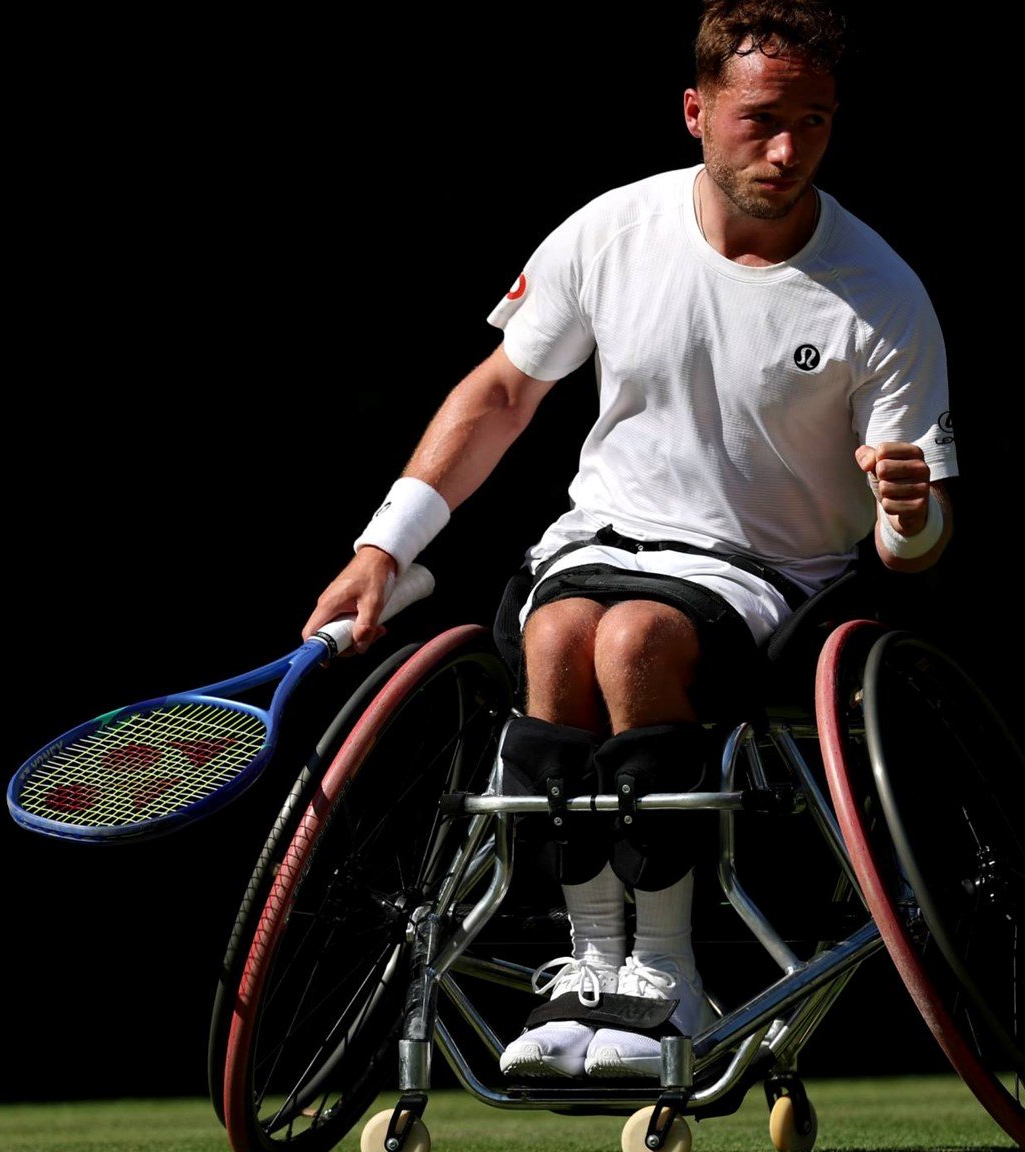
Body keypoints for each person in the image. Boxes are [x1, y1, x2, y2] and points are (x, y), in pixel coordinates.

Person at [301, 0, 957, 1083]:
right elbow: (506, 391)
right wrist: (384, 545)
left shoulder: (881, 296)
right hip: (600, 539)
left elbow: (915, 553)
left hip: (769, 576)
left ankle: (666, 974)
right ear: (695, 112)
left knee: (631, 643)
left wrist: (907, 508)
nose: (787, 150)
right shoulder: (612, 230)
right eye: (759, 119)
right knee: (559, 635)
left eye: (814, 121)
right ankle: (590, 967)